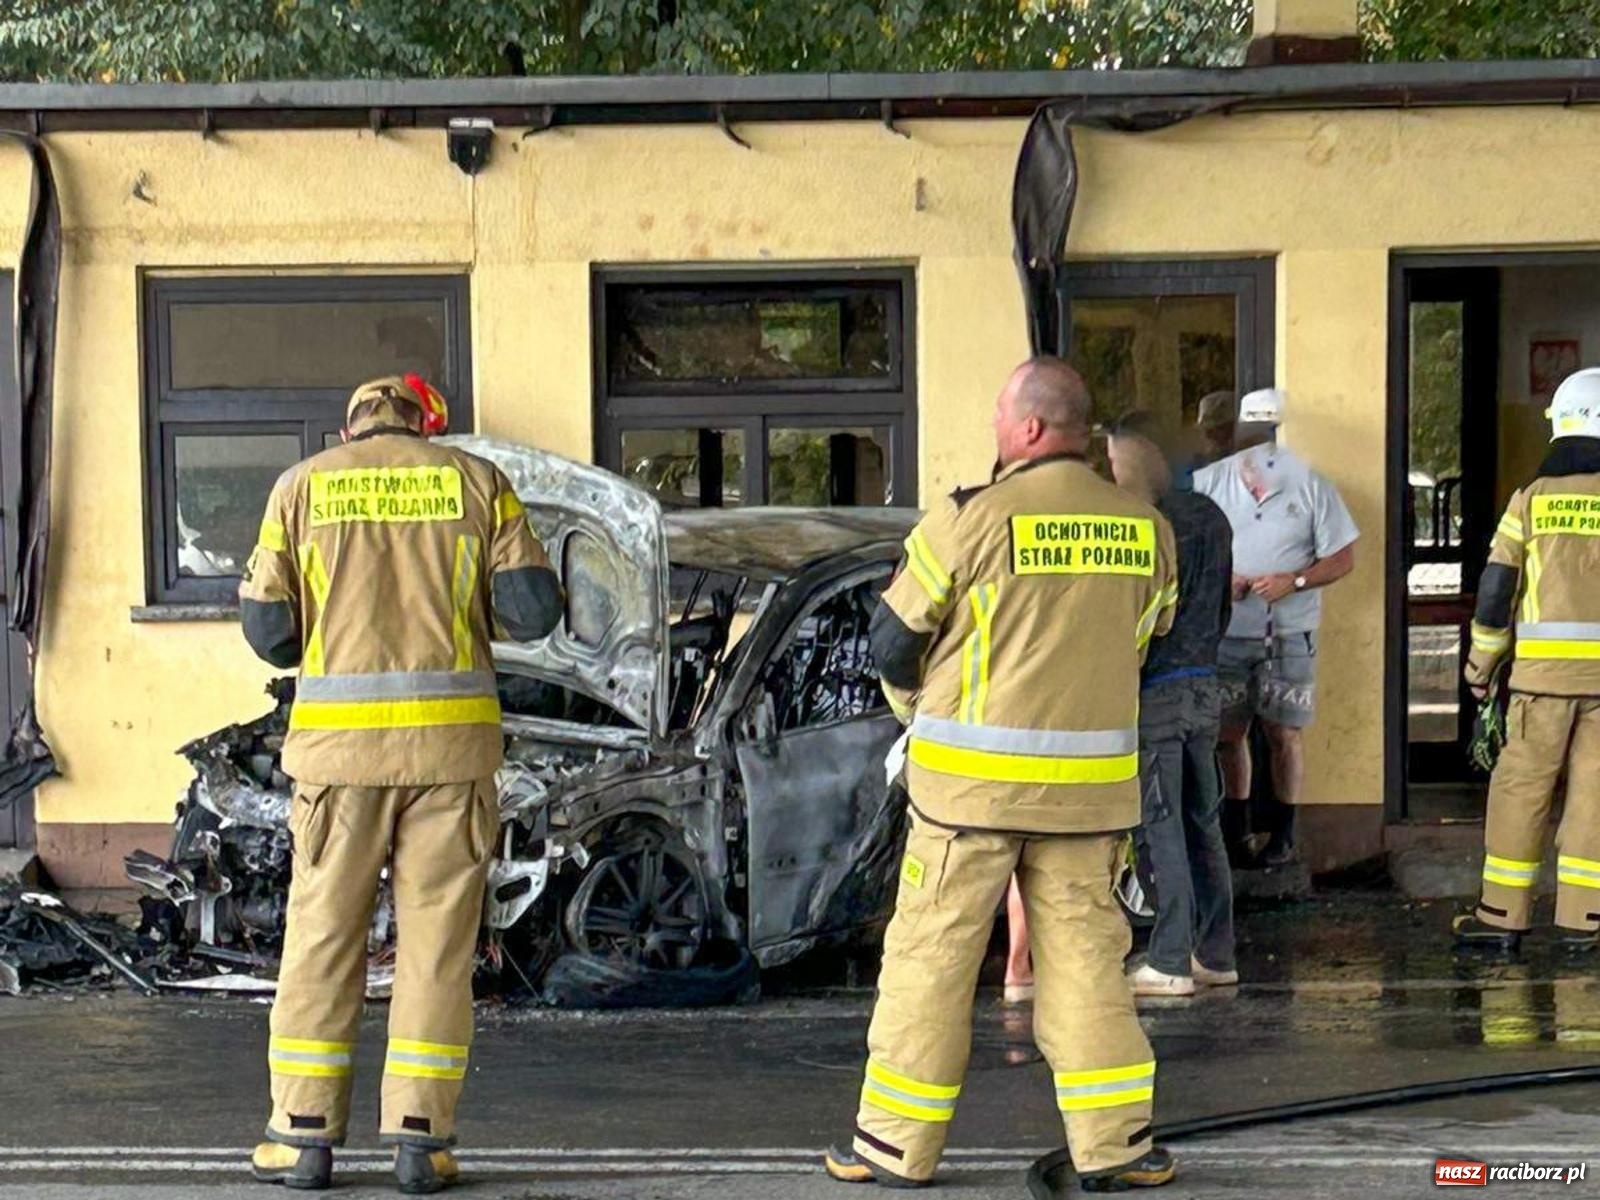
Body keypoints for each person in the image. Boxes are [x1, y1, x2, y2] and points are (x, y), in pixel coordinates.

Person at [824, 357, 1179, 1193]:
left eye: (996, 417)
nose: (992, 431)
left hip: (966, 801)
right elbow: (1146, 643)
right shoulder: (1145, 528)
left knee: (931, 965)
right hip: (1089, 799)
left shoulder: (969, 521)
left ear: (1027, 429)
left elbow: (891, 641)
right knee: (1090, 966)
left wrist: (917, 700)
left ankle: (892, 1149)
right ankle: (1118, 1148)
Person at [240, 375, 563, 1194]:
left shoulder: (301, 487)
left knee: (322, 941)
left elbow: (270, 633)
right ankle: (423, 1140)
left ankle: (301, 1134)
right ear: (427, 425)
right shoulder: (477, 483)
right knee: (435, 950)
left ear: (350, 427)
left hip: (339, 767)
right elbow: (532, 612)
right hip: (450, 761)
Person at [1454, 367, 1600, 953]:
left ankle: (1502, 917)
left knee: (1521, 792)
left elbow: (1496, 589)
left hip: (1539, 684)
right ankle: (1584, 920)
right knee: (1595, 796)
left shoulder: (1531, 500)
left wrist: (1480, 666)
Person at [1194, 388, 1358, 867]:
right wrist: (1220, 583)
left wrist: (1297, 580)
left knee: (1284, 732)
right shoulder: (1207, 485)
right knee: (1228, 734)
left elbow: (1343, 556)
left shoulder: (1311, 485)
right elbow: (1186, 553)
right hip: (1226, 632)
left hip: (1289, 633)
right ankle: (1235, 834)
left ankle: (1283, 836)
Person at [1107, 413, 1238, 998]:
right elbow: (1224, 608)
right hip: (1205, 687)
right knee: (1201, 823)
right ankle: (1216, 953)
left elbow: (1138, 620)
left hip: (1155, 691)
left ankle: (1168, 960)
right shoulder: (1212, 517)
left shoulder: (1146, 523)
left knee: (1159, 828)